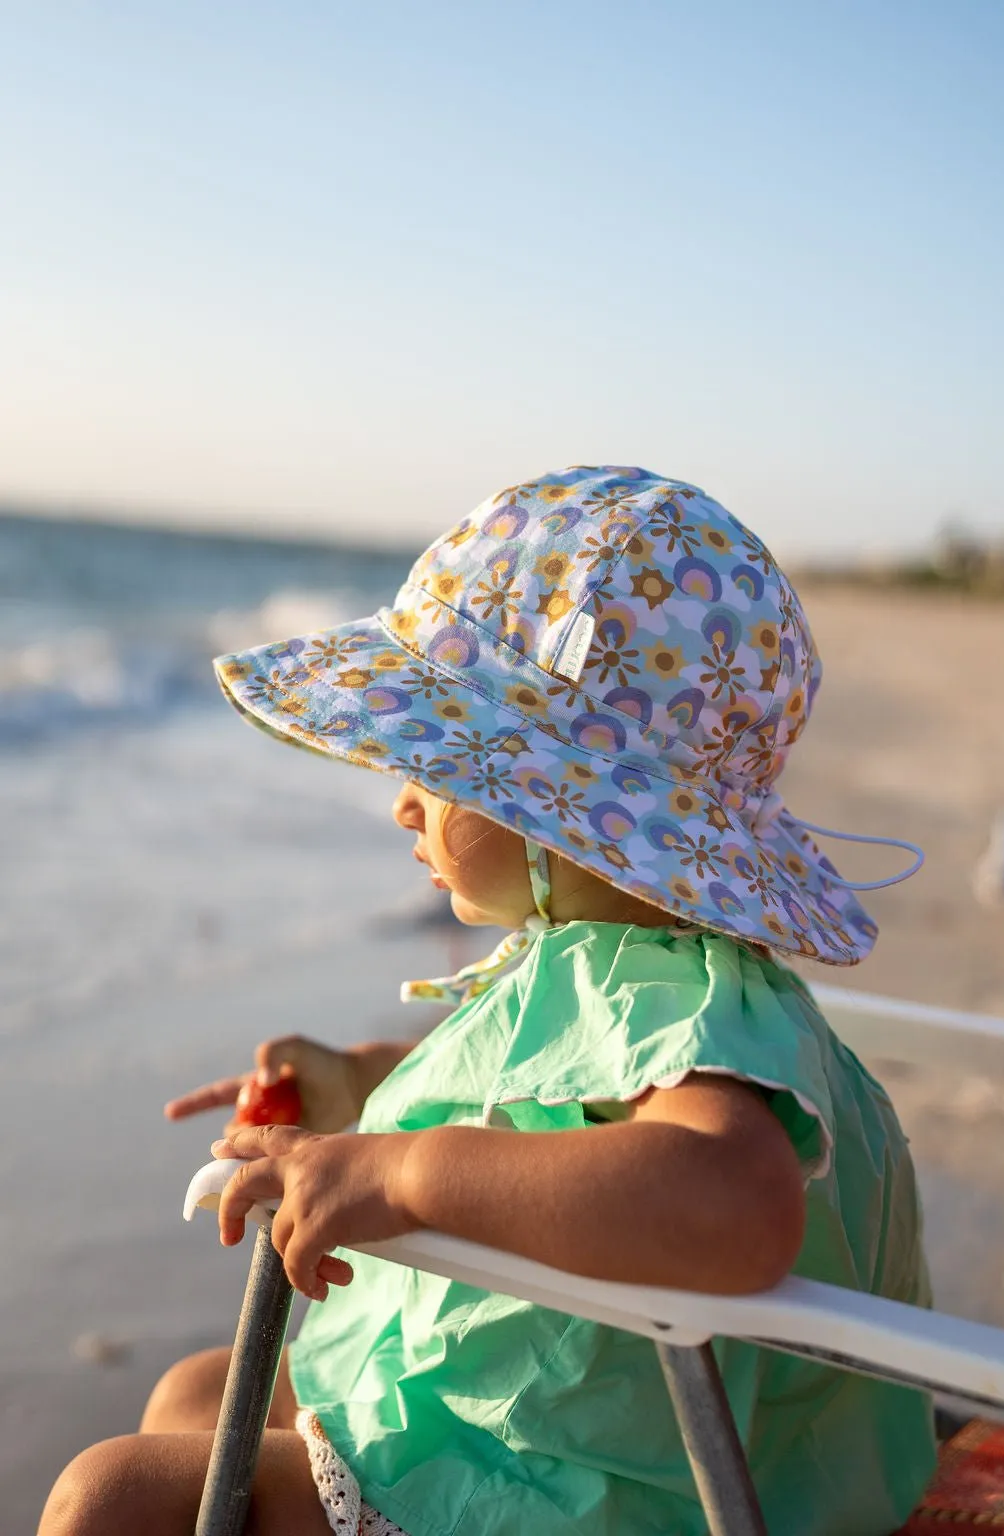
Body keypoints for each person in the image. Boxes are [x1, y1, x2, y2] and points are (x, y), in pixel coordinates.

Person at [40, 466, 936, 1536]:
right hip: (583, 1416)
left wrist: (405, 1171)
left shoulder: (673, 987)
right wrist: (362, 1083)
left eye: (439, 761)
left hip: (625, 1486)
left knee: (109, 1499)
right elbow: (551, 1093)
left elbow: (732, 1202)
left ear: (565, 805)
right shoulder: (609, 956)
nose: (403, 804)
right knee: (195, 1394)